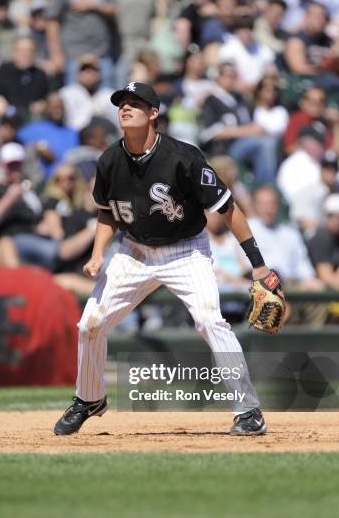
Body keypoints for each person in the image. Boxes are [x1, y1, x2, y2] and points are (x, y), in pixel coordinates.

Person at [54, 81, 283, 438]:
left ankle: (248, 410)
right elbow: (107, 214)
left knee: (209, 321)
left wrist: (258, 263)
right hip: (135, 251)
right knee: (90, 325)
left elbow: (228, 208)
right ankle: (90, 398)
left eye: (135, 103)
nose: (125, 108)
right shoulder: (109, 161)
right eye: (121, 104)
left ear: (154, 113)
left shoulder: (184, 157)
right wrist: (98, 253)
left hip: (186, 249)